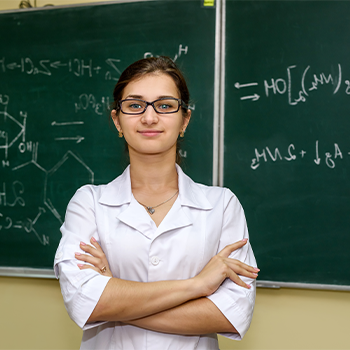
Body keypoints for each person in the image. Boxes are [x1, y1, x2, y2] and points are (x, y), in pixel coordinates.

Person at [54, 56, 258, 350]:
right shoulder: (89, 203)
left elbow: (230, 315)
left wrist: (116, 294)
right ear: (117, 120)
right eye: (135, 106)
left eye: (164, 106)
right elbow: (84, 303)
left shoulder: (222, 206)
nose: (149, 118)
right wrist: (197, 286)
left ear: (184, 119)